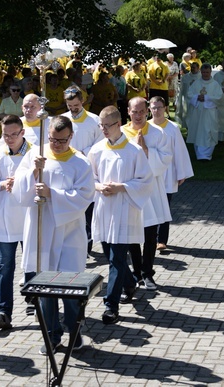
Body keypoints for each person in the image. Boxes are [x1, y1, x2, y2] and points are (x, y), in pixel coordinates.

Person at [12, 115, 95, 351]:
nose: (56, 144)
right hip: (42, 229)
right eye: (52, 139)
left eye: (61, 140)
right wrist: (32, 173)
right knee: (45, 286)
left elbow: (85, 197)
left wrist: (52, 194)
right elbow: (19, 191)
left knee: (70, 287)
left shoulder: (80, 163)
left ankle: (74, 330)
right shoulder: (36, 155)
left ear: (71, 137)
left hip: (69, 232)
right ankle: (51, 334)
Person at [88, 106, 153, 324]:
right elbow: (89, 179)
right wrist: (99, 188)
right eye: (101, 126)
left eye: (108, 125)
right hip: (104, 209)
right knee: (110, 255)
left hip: (124, 209)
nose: (104, 130)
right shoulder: (96, 150)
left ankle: (111, 306)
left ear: (118, 124)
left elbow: (145, 181)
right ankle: (130, 283)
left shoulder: (134, 151)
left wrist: (122, 186)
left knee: (116, 258)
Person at [0, 115, 33, 331]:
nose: (9, 139)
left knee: (32, 262)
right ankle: (4, 312)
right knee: (5, 266)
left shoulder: (35, 153)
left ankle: (34, 301)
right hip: (6, 219)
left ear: (22, 132)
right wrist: (2, 185)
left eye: (13, 134)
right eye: (5, 134)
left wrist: (21, 184)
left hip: (29, 216)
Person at [122, 97, 172, 291]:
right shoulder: (122, 134)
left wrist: (145, 149)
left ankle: (147, 273)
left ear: (147, 112)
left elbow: (166, 159)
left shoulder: (158, 133)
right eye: (134, 112)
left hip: (151, 190)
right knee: (133, 233)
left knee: (150, 233)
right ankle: (136, 272)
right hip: (131, 189)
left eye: (142, 111)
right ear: (128, 111)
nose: (138, 115)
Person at [62, 85, 103, 252]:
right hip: (66, 170)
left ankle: (87, 244)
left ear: (83, 101)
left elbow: (100, 145)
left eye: (76, 106)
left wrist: (82, 152)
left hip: (87, 169)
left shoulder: (94, 120)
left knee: (87, 209)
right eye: (69, 106)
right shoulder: (62, 119)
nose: (73, 110)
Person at [148, 96, 192, 252]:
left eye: (159, 107)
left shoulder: (172, 128)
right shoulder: (145, 127)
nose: (156, 110)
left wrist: (181, 173)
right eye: (153, 107)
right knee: (151, 206)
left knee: (164, 206)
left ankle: (162, 240)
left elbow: (179, 152)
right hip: (151, 174)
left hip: (168, 174)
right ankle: (150, 239)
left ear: (165, 108)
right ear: (149, 109)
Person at [187, 64, 224, 160]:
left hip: (209, 113)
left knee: (208, 131)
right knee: (198, 131)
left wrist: (207, 98)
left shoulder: (215, 84)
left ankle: (206, 155)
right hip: (198, 112)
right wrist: (196, 97)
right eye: (203, 72)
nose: (205, 74)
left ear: (210, 72)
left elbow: (219, 97)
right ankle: (199, 154)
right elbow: (189, 94)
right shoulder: (196, 83)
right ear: (201, 72)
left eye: (207, 72)